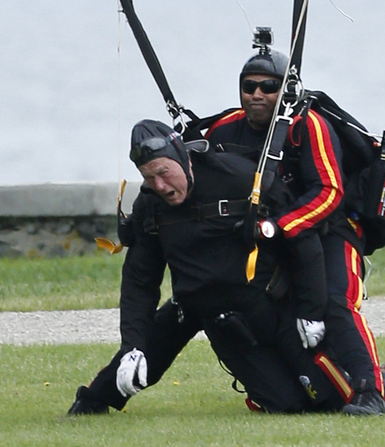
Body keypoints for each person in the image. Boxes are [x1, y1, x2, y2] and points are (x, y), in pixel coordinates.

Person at [204, 43, 385, 414]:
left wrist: (279, 226)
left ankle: (371, 390)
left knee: (334, 302)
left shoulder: (308, 126)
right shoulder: (224, 130)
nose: (256, 95)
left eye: (268, 87)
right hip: (271, 242)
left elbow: (329, 191)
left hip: (332, 230)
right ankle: (304, 385)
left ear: (285, 89)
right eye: (248, 86)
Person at [70, 119, 352, 415]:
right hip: (210, 314)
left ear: (182, 157)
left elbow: (302, 239)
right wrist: (132, 347)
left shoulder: (243, 179)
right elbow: (140, 282)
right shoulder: (150, 206)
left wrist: (311, 311)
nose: (160, 186)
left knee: (332, 399)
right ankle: (91, 402)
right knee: (288, 405)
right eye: (149, 178)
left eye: (164, 173)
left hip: (272, 305)